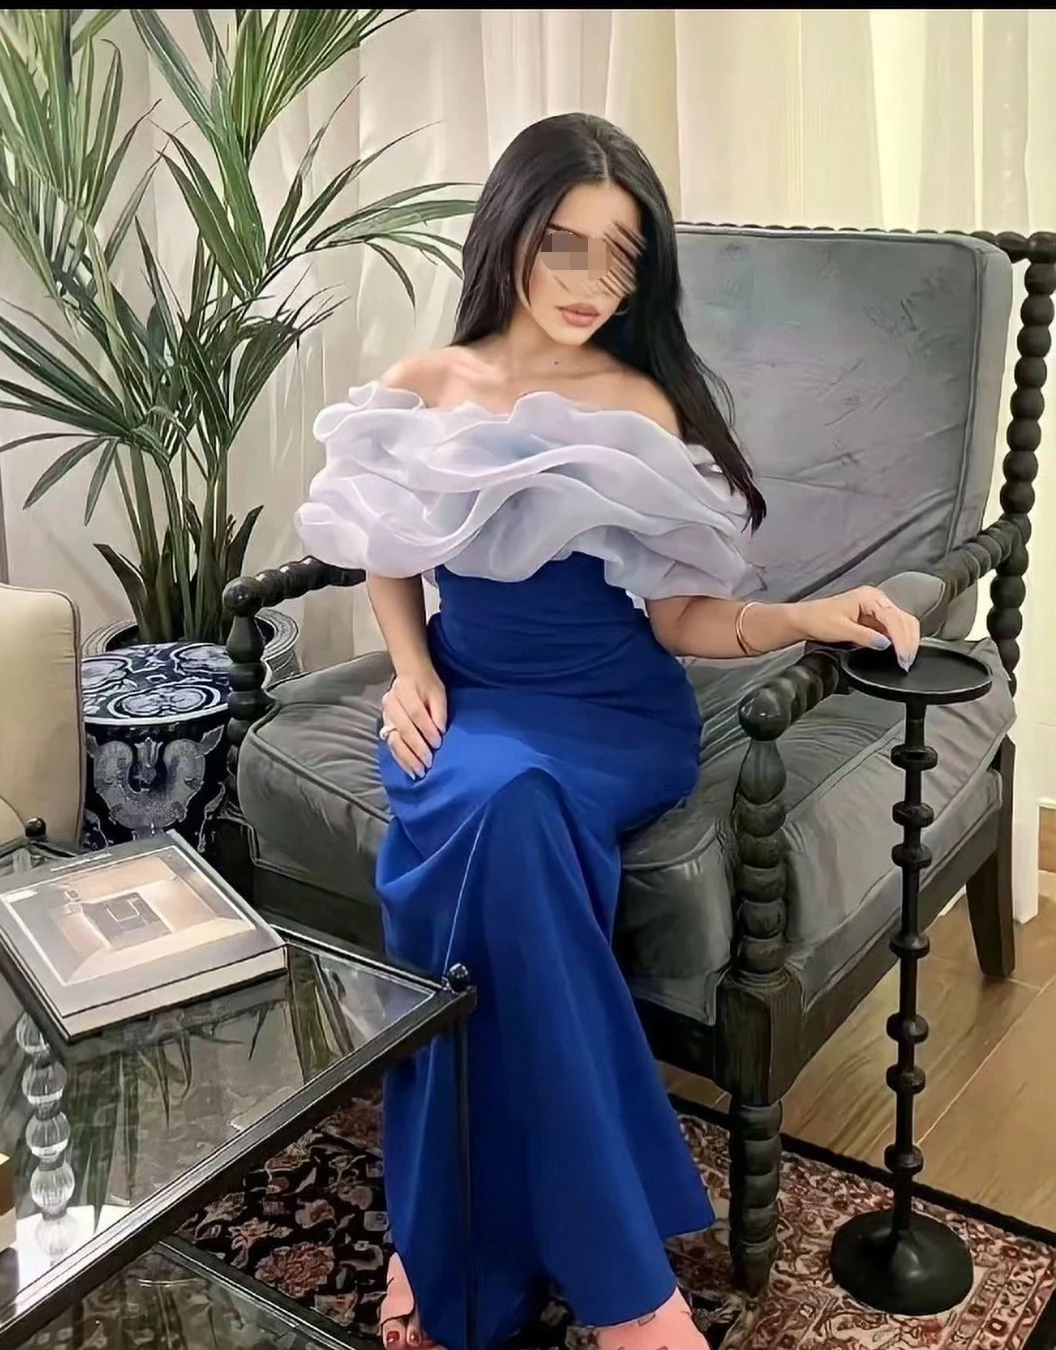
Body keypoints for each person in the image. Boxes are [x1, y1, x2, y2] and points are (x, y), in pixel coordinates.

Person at [296, 112, 920, 1350]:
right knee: (503, 824)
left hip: (614, 716)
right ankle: (616, 1286)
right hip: (470, 705)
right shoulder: (426, 383)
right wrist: (408, 671)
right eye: (564, 243)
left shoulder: (642, 400)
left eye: (623, 254)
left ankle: (463, 1244)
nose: (592, 281)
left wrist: (806, 615)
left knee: (513, 817)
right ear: (509, 233)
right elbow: (388, 551)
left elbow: (681, 616)